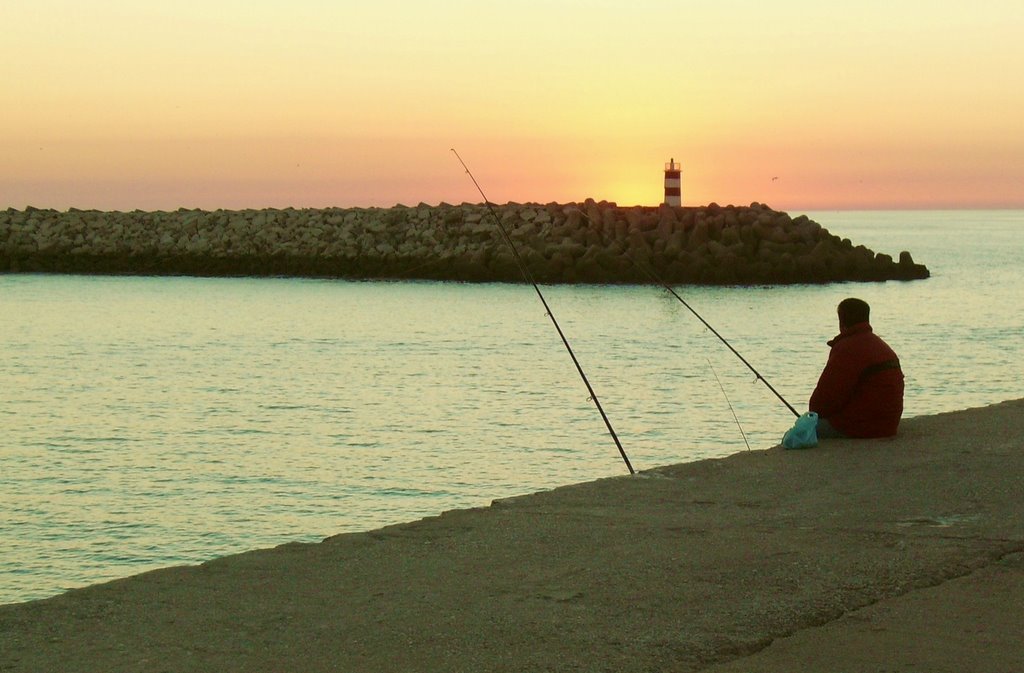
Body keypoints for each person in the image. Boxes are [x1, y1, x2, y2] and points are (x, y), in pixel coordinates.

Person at [809, 298, 904, 438]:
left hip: (862, 427)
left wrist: (810, 418)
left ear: (841, 321)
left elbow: (823, 401)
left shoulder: (847, 348)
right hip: (889, 423)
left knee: (803, 429)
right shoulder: (879, 345)